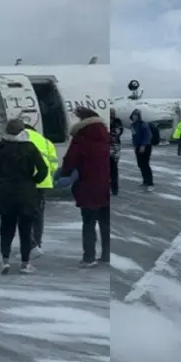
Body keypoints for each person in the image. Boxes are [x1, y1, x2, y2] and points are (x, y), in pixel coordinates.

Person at [0, 119, 48, 274]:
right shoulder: (29, 147)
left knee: (6, 228)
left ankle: (5, 261)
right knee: (25, 229)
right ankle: (25, 264)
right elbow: (43, 169)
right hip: (26, 192)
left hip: (6, 192)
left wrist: (4, 180)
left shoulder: (1, 147)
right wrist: (33, 181)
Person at [60, 107, 110, 266]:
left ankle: (89, 257)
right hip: (106, 186)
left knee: (89, 223)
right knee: (106, 223)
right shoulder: (106, 136)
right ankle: (107, 255)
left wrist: (65, 174)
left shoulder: (81, 138)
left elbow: (70, 160)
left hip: (88, 186)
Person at [23, 123, 58, 259]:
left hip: (27, 181)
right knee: (38, 215)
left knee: (24, 215)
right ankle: (37, 243)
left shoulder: (23, 139)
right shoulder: (46, 141)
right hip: (43, 182)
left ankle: (30, 246)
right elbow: (54, 164)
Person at [129, 108, 154, 191]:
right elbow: (134, 136)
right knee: (140, 164)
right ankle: (145, 181)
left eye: (136, 115)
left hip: (146, 146)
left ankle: (150, 183)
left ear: (139, 116)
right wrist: (135, 145)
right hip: (138, 146)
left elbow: (148, 136)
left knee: (145, 164)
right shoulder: (132, 125)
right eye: (133, 115)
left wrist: (143, 145)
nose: (134, 117)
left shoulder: (143, 124)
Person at [109, 108, 123, 196]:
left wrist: (108, 133)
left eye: (111, 113)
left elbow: (117, 133)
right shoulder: (105, 120)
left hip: (114, 148)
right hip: (107, 147)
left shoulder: (117, 122)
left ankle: (114, 189)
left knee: (113, 169)